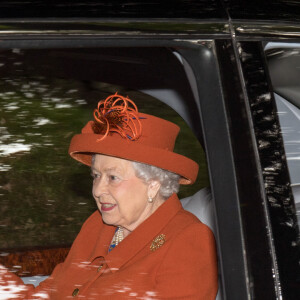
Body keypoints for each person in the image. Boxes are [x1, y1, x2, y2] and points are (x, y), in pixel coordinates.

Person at [0, 93, 218, 299]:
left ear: (153, 185)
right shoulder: (98, 225)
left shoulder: (188, 241)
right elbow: (51, 293)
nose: (97, 190)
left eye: (113, 177)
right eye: (96, 176)